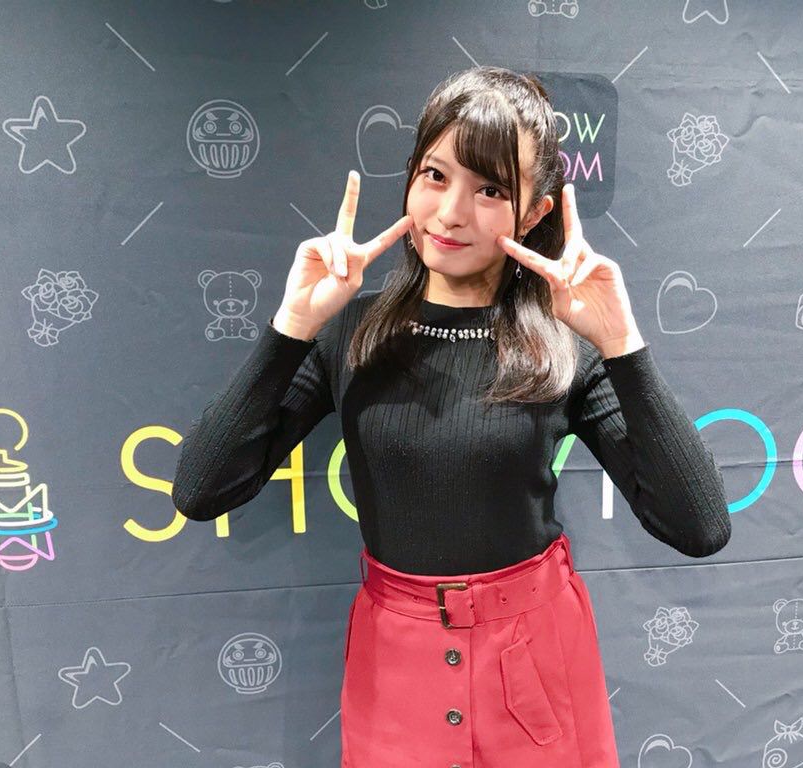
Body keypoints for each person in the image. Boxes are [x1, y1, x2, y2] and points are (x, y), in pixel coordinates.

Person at [171, 65, 731, 768]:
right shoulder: (353, 332)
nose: (451, 212)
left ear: (535, 213)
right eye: (435, 176)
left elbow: (700, 525)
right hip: (394, 669)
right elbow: (200, 490)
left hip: (536, 660)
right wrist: (292, 327)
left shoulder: (565, 342)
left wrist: (622, 343)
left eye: (490, 189)